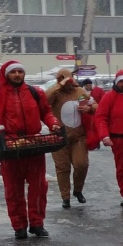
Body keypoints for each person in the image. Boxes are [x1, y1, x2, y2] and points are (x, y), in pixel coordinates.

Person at [0, 60, 62, 239]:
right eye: (13, 72)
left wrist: (53, 124)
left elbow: (46, 113)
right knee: (13, 189)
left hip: (33, 146)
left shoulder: (36, 93)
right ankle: (19, 226)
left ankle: (37, 223)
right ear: (6, 75)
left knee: (39, 187)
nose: (17, 75)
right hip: (10, 148)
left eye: (20, 71)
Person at [46, 69, 95, 209]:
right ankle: (65, 197)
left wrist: (89, 109)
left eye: (69, 78)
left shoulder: (80, 91)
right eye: (63, 79)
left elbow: (96, 106)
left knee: (81, 164)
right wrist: (58, 85)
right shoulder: (54, 93)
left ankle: (78, 190)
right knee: (63, 168)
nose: (68, 82)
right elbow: (44, 100)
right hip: (59, 137)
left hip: (78, 137)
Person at [95, 70, 123, 207]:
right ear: (116, 83)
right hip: (119, 139)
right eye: (121, 81)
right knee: (122, 169)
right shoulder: (109, 97)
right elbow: (100, 117)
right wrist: (104, 135)